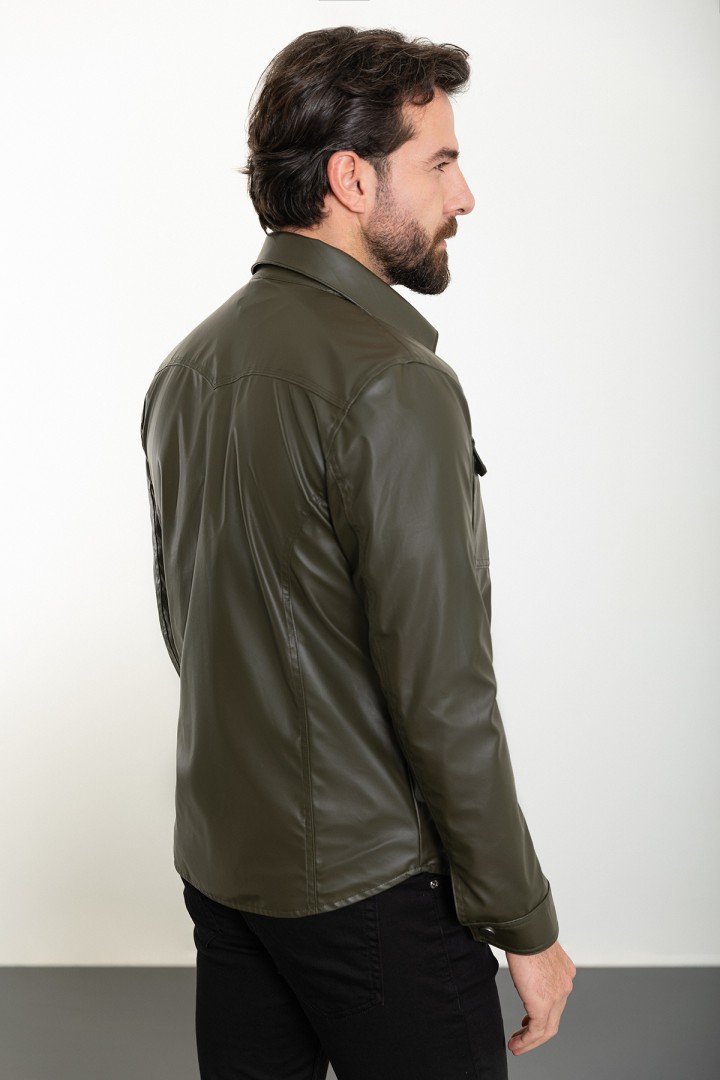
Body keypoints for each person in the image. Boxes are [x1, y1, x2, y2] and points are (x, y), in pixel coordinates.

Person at [141, 25, 575, 1080]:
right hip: (372, 891)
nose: (464, 197)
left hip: (226, 875)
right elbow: (445, 696)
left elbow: (186, 624)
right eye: (440, 162)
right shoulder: (394, 384)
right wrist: (524, 922)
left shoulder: (186, 370)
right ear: (350, 178)